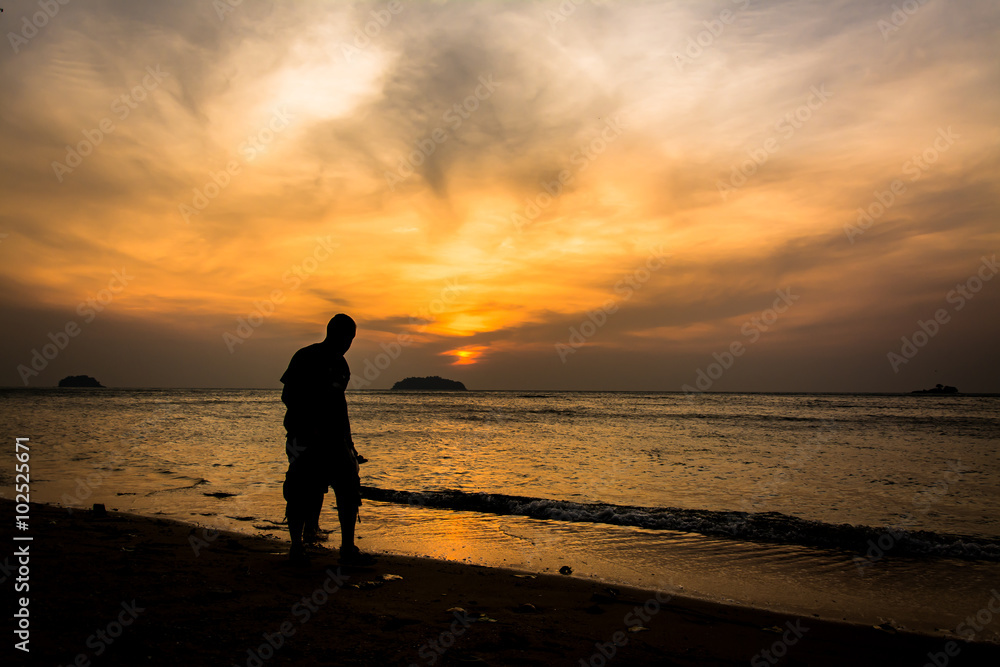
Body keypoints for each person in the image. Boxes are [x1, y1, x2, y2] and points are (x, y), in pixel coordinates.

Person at [280, 314, 375, 566]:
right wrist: (309, 426)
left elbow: (339, 405)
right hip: (304, 438)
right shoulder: (305, 356)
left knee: (348, 489)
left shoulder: (342, 366)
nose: (349, 343)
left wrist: (350, 443)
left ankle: (347, 548)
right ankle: (296, 547)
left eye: (352, 339)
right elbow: (288, 395)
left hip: (334, 439)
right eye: (347, 337)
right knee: (300, 491)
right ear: (333, 333)